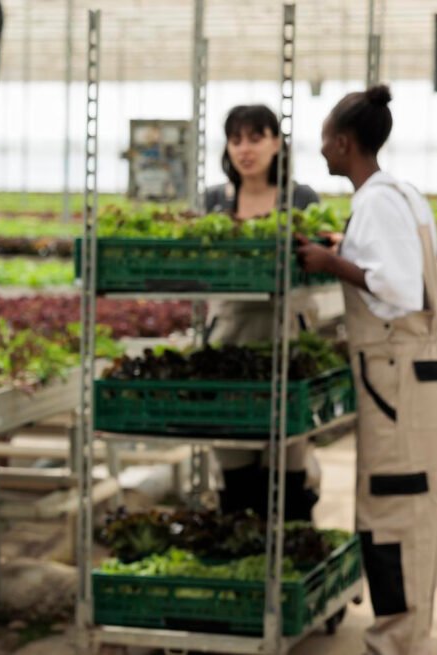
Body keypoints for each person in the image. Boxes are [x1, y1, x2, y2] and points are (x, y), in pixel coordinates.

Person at [298, 85, 437, 655]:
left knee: (392, 507)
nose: (321, 150)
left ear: (344, 141)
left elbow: (399, 288)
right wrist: (344, 246)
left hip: (392, 374)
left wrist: (330, 261)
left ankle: (396, 641)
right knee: (407, 506)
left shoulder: (376, 201)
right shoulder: (402, 193)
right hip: (411, 372)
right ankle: (404, 634)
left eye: (325, 139)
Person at [202, 105, 322, 523]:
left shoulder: (300, 198)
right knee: (236, 484)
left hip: (285, 347)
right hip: (227, 347)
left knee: (288, 483)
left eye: (256, 138)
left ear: (276, 143)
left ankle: (286, 567)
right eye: (236, 140)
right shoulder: (215, 201)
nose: (245, 149)